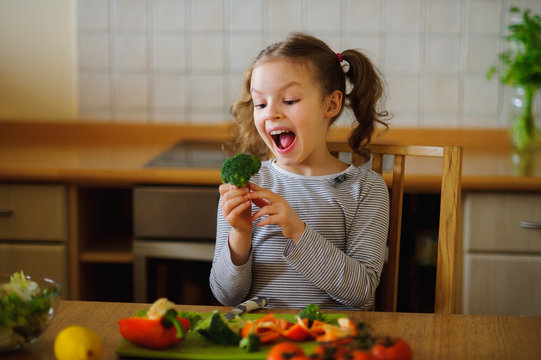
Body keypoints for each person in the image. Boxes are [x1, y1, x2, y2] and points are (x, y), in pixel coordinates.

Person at [210, 32, 390, 310]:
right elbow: (226, 296)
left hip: (330, 341)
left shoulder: (366, 188)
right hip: (262, 339)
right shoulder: (249, 183)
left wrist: (298, 231)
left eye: (290, 100)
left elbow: (362, 294)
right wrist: (240, 234)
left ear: (331, 104)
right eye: (260, 103)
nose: (270, 113)